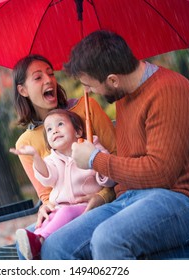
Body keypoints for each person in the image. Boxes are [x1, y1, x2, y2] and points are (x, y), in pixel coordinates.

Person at [40, 30, 189, 259]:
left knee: (108, 239)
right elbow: (127, 165)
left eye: (90, 85)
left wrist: (95, 159)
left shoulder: (170, 91)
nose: (88, 91)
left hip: (184, 200)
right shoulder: (124, 95)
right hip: (131, 198)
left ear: (113, 80)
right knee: (56, 246)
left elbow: (161, 173)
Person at [12, 54, 117, 230]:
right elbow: (46, 194)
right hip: (61, 212)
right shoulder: (25, 143)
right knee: (26, 240)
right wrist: (46, 208)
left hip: (101, 207)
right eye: (38, 77)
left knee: (51, 246)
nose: (49, 80)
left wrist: (103, 196)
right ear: (23, 90)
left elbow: (117, 157)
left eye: (51, 74)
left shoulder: (86, 107)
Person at [10, 109, 115, 259]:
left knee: (64, 214)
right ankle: (35, 240)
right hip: (60, 209)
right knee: (47, 221)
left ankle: (39, 240)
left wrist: (94, 159)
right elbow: (47, 177)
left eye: (60, 124)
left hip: (86, 207)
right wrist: (35, 156)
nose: (55, 131)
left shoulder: (90, 146)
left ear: (78, 131)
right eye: (50, 129)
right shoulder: (52, 159)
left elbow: (109, 176)